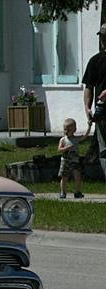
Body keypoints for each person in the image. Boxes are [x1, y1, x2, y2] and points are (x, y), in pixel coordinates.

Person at [82, 23, 106, 180]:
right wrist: (87, 107)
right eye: (103, 36)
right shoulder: (96, 61)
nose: (104, 40)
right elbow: (88, 86)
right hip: (102, 110)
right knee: (104, 149)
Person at [58, 118, 91, 199]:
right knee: (64, 177)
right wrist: (66, 148)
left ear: (74, 130)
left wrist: (89, 127)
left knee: (78, 176)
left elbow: (85, 136)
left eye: (69, 129)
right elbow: (59, 150)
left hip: (75, 161)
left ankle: (77, 192)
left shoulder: (76, 139)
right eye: (65, 129)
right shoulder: (63, 140)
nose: (66, 131)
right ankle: (63, 192)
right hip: (65, 161)